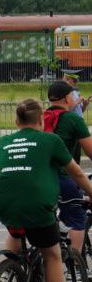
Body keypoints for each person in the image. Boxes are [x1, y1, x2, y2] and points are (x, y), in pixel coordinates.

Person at [0, 99, 92, 282]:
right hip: (37, 203)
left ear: (17, 121)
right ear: (42, 119)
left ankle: (8, 271)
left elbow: (1, 170)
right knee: (52, 254)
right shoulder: (51, 140)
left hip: (1, 201)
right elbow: (75, 171)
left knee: (16, 228)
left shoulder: (3, 142)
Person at [44, 80, 92, 255]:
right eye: (73, 95)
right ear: (66, 98)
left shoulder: (41, 117)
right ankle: (75, 263)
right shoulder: (73, 119)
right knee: (78, 216)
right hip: (62, 176)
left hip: (39, 177)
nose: (75, 98)